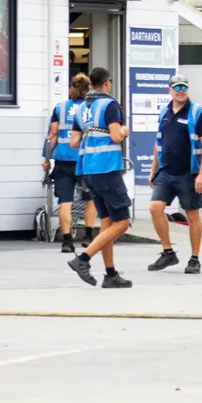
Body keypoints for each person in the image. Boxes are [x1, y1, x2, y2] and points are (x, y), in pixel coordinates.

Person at [68, 67, 133, 288]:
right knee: (122, 222)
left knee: (107, 222)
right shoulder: (109, 105)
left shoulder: (81, 108)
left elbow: (74, 142)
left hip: (88, 169)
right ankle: (83, 259)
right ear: (107, 83)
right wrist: (125, 130)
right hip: (106, 168)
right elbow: (116, 136)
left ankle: (111, 274)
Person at [145, 76, 202, 274]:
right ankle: (168, 252)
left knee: (192, 214)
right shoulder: (164, 113)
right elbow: (159, 142)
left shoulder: (198, 113)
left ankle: (194, 258)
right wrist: (153, 170)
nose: (180, 90)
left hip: (189, 173)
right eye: (177, 87)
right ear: (170, 90)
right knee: (155, 208)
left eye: (184, 87)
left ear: (188, 89)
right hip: (166, 171)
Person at [42, 74, 98, 253]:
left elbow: (53, 135)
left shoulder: (61, 108)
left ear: (71, 88)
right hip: (86, 160)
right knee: (90, 200)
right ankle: (88, 236)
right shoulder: (91, 108)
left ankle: (67, 241)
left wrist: (46, 159)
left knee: (65, 201)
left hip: (63, 161)